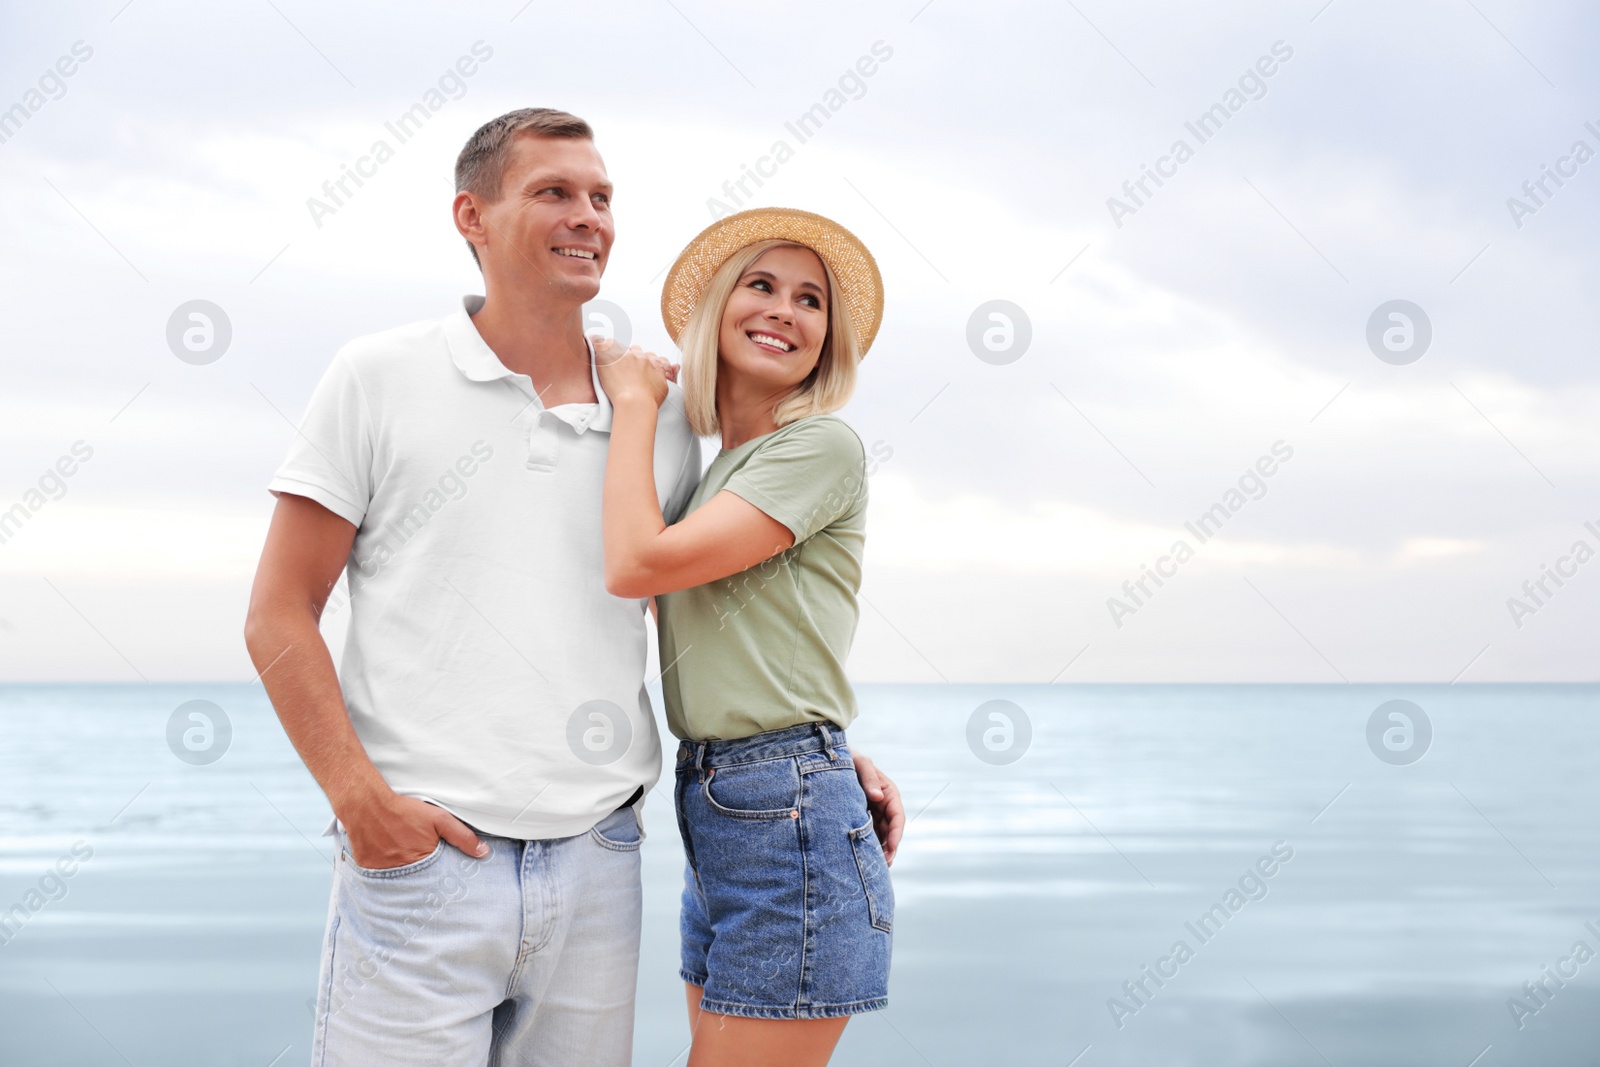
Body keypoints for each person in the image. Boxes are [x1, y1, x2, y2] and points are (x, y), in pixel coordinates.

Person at [242, 109, 903, 1067]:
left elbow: (729, 600)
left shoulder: (666, 422)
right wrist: (361, 804)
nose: (588, 216)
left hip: (603, 861)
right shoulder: (379, 376)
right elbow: (277, 611)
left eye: (601, 197)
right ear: (471, 215)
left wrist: (823, 755)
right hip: (428, 856)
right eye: (554, 192)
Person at [595, 207, 892, 1067]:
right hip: (729, 801)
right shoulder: (717, 466)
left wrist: (634, 403)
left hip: (783, 807)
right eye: (761, 285)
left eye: (810, 299)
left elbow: (637, 563)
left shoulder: (822, 446)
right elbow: (706, 620)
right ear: (718, 306)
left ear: (826, 338)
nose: (784, 310)